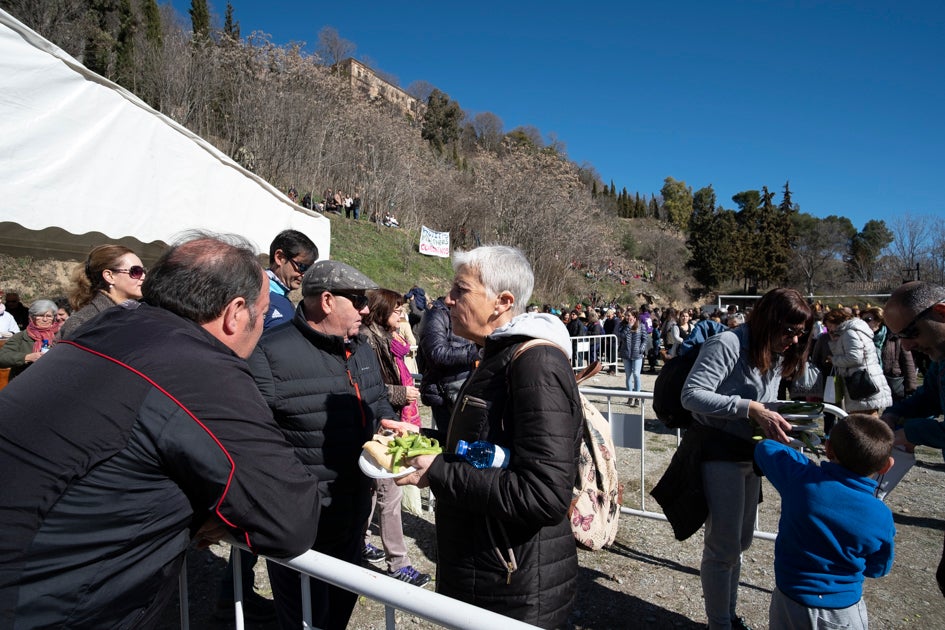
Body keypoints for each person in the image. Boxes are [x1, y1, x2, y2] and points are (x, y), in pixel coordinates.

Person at [0, 232, 322, 629]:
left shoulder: (104, 327)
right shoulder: (201, 370)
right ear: (235, 313)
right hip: (47, 607)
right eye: (261, 314)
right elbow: (292, 519)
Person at [396, 245, 583, 628]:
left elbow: (544, 494)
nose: (446, 299)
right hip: (483, 568)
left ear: (503, 302)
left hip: (514, 584)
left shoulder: (535, 363)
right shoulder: (495, 356)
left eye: (460, 290)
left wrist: (438, 473)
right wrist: (420, 439)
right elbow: (486, 449)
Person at [249, 259, 397, 630]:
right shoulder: (268, 353)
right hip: (302, 517)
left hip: (353, 507)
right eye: (358, 300)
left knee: (341, 603)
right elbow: (254, 442)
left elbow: (376, 400)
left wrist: (385, 423)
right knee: (303, 616)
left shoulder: (361, 348)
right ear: (327, 301)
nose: (366, 310)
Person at [680, 287, 813, 630]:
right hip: (717, 452)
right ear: (768, 319)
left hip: (750, 455)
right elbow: (691, 395)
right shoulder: (727, 344)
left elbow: (764, 404)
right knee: (723, 545)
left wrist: (781, 418)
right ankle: (720, 623)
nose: (794, 341)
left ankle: (728, 616)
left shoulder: (775, 350)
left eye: (801, 333)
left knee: (740, 542)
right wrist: (749, 408)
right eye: (788, 330)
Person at [755, 414, 895, 630]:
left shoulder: (801, 480)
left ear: (828, 450)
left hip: (788, 598)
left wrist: (809, 466)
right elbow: (878, 568)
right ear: (887, 466)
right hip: (841, 610)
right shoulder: (880, 515)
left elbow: (766, 448)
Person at [359, 289, 430, 587]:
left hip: (389, 420)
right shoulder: (367, 341)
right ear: (380, 311)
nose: (402, 315)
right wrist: (402, 393)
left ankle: (358, 541)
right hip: (381, 424)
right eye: (397, 310)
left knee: (375, 491)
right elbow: (370, 387)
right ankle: (398, 563)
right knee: (390, 493)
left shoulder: (388, 340)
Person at [880, 281, 945, 598]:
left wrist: (910, 432)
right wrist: (895, 415)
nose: (906, 347)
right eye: (899, 338)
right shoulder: (941, 358)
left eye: (910, 333)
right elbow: (930, 396)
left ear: (941, 312)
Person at [416, 295, 479, 433]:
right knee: (451, 441)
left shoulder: (470, 315)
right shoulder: (436, 315)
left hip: (468, 388)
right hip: (445, 393)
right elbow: (436, 354)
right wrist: (478, 350)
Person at [58, 244, 146, 340]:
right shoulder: (82, 322)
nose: (143, 277)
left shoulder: (142, 315)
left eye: (144, 271)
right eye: (136, 271)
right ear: (109, 276)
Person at [823, 308, 892, 414]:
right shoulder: (852, 331)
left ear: (836, 321)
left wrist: (834, 360)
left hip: (862, 383)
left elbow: (855, 357)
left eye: (829, 325)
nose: (829, 329)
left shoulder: (849, 333)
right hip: (865, 380)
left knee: (866, 421)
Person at [264, 229, 319, 329]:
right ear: (279, 257)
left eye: (309, 269)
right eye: (302, 267)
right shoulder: (258, 295)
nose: (304, 274)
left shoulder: (278, 297)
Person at [860, 306, 917, 401]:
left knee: (895, 411)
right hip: (871, 380)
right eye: (863, 320)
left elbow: (908, 361)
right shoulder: (861, 339)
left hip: (893, 379)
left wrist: (911, 386)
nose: (865, 323)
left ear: (879, 320)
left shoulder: (894, 337)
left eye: (868, 319)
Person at [0, 299, 60, 380]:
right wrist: (27, 357)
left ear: (54, 318)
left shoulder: (61, 336)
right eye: (40, 315)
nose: (45, 319)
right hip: (24, 383)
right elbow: (2, 357)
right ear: (31, 317)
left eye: (49, 316)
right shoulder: (21, 337)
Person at [618, 309, 646, 406]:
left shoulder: (641, 325)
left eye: (629, 315)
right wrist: (628, 327)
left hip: (637, 354)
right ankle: (630, 396)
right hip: (626, 353)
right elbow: (621, 336)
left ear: (634, 316)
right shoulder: (623, 325)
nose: (627, 317)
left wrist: (641, 349)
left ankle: (637, 396)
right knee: (628, 375)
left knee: (636, 374)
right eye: (626, 315)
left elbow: (644, 339)